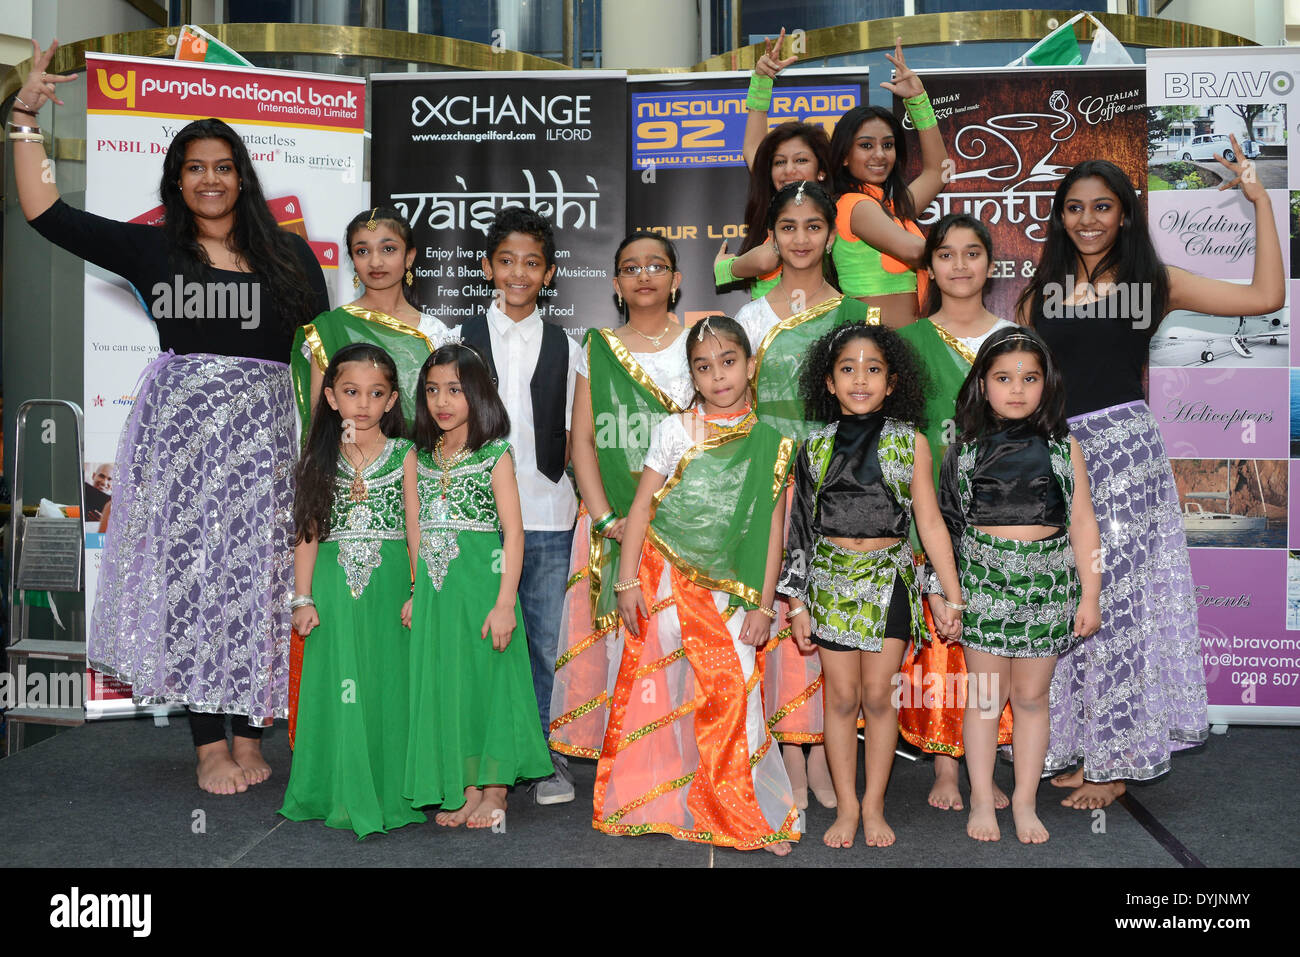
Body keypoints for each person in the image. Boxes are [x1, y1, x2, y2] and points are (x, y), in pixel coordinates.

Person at [11, 41, 329, 795]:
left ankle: (249, 728)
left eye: (223, 166)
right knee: (191, 578)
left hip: (266, 439)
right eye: (195, 167)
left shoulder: (290, 257)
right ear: (177, 181)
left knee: (257, 577)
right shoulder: (153, 249)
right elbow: (44, 212)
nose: (210, 179)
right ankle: (206, 744)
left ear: (241, 177)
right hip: (182, 439)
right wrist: (23, 115)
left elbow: (318, 355)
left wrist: (321, 445)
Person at [1017, 147, 1284, 808]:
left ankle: (1118, 759)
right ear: (1059, 217)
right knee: (1068, 601)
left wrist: (1262, 204)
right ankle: (1077, 744)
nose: (1087, 219)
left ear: (1126, 216)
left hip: (1124, 456)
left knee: (1120, 605)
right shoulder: (1039, 291)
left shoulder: (1156, 283)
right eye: (1074, 208)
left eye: (1102, 207)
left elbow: (1266, 297)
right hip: (1056, 454)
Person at [604, 316, 798, 853]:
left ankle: (748, 812)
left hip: (734, 590)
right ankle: (661, 801)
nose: (718, 376)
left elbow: (772, 531)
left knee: (737, 691)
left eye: (729, 362)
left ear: (751, 365)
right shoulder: (674, 431)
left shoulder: (773, 442)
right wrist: (625, 582)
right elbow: (642, 506)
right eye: (703, 367)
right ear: (692, 375)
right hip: (664, 576)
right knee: (659, 692)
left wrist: (763, 603)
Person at [779, 322, 963, 848]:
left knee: (878, 698)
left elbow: (929, 525)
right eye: (848, 369)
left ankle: (876, 805)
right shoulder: (811, 448)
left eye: (874, 369)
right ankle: (848, 806)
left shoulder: (911, 444)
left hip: (890, 584)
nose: (861, 379)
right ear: (829, 383)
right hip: (830, 584)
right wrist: (796, 605)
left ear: (892, 381)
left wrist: (949, 594)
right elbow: (801, 533)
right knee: (840, 699)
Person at [733, 180, 869, 809]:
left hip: (839, 484)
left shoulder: (853, 314)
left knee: (828, 616)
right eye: (788, 227)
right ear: (773, 236)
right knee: (778, 614)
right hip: (767, 483)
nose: (801, 239)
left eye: (813, 226)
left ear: (830, 234)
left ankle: (822, 751)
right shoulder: (751, 318)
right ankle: (788, 748)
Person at [937, 327, 1102, 843]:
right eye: (1003, 378)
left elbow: (1083, 522)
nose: (1016, 389)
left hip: (1049, 583)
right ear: (982, 384)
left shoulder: (1062, 446)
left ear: (1046, 383)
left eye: (1029, 378)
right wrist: (944, 593)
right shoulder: (962, 450)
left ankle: (1026, 803)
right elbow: (943, 526)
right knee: (987, 699)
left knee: (1032, 698)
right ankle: (983, 800)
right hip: (983, 582)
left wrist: (1090, 594)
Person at [548, 232, 695, 760]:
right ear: (615, 285)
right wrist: (606, 515)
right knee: (625, 639)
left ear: (676, 280)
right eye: (631, 268)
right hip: (612, 521)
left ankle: (685, 758)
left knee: (681, 638)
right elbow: (583, 439)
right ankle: (635, 762)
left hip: (685, 523)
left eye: (656, 265)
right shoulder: (597, 350)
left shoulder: (701, 345)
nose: (644, 275)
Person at [457, 207, 582, 806]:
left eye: (531, 263)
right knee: (480, 639)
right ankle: (478, 756)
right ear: (487, 268)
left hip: (548, 512)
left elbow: (578, 433)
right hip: (475, 518)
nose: (518, 273)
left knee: (541, 641)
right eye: (505, 261)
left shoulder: (571, 346)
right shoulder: (456, 341)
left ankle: (536, 752)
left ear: (550, 273)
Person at [403, 344, 554, 827]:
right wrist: (413, 590)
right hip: (437, 592)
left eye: (454, 389)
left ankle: (495, 790)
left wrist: (506, 601)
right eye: (432, 390)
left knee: (492, 684)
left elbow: (514, 532)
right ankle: (465, 786)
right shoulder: (419, 457)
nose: (441, 401)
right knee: (450, 683)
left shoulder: (495, 454)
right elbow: (415, 529)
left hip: (485, 590)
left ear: (479, 394)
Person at [279, 344, 425, 838]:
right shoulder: (319, 456)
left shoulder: (406, 455)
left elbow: (415, 528)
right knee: (339, 687)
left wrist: (416, 589)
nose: (362, 402)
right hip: (333, 590)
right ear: (331, 397)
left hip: (389, 593)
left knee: (388, 683)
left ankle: (390, 790)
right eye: (351, 391)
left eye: (375, 393)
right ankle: (335, 789)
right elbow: (308, 533)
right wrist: (302, 598)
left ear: (391, 400)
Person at [896, 214, 1016, 811]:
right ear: (930, 266)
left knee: (993, 642)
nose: (960, 265)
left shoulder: (1015, 339)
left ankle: (986, 762)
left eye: (973, 253)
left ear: (990, 264)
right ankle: (946, 767)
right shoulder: (909, 345)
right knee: (943, 644)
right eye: (946, 254)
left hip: (1005, 518)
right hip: (932, 515)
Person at [291, 206, 444, 436]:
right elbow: (319, 421)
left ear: (409, 257)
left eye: (388, 249)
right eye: (362, 251)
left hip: (419, 465)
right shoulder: (329, 328)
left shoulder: (433, 333)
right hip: (349, 465)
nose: (375, 262)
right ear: (352, 260)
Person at [828, 39, 949, 329]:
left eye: (888, 145)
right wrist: (966, 253)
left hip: (904, 342)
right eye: (866, 146)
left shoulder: (891, 209)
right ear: (844, 155)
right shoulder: (854, 206)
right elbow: (914, 251)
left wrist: (918, 100)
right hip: (871, 348)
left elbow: (939, 171)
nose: (879, 155)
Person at [714, 28, 832, 299]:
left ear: (822, 170)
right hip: (766, 330)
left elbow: (767, 258)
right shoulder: (770, 197)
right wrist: (762, 80)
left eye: (801, 160)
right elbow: (752, 146)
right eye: (779, 162)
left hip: (825, 328)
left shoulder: (840, 208)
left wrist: (728, 268)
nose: (789, 170)